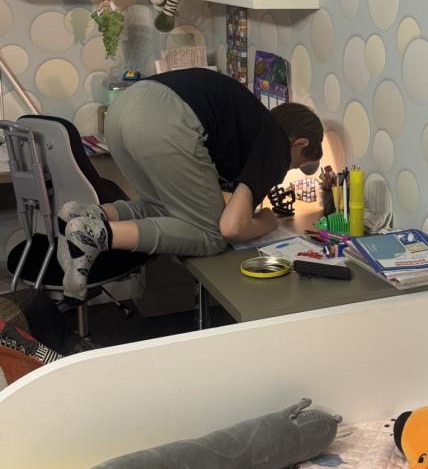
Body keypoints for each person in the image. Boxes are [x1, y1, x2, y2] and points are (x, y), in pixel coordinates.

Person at [57, 69, 324, 303]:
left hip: (123, 110)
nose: (285, 170)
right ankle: (96, 234)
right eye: (295, 165)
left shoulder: (253, 122)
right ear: (298, 144)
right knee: (211, 236)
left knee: (163, 206)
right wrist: (268, 221)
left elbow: (209, 193)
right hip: (163, 121)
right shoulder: (276, 145)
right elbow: (231, 228)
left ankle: (89, 213)